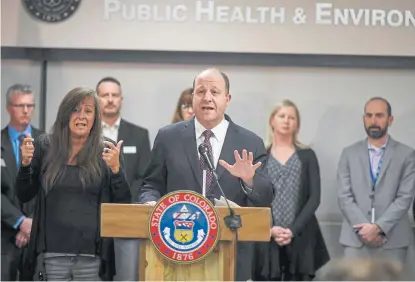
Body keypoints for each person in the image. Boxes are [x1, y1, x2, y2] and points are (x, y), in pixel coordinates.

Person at [138, 68, 274, 281]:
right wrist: (150, 203)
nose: (207, 98)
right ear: (193, 97)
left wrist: (249, 179)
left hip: (230, 253)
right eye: (200, 91)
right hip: (176, 249)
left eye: (215, 92)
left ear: (227, 99)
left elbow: (266, 197)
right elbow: (150, 184)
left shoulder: (250, 142)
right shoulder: (168, 137)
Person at [16, 87, 131, 281]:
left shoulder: (107, 149)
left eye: (88, 111)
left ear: (96, 117)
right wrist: (26, 165)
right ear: (65, 114)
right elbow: (24, 194)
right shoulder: (45, 146)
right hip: (51, 254)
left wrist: (116, 171)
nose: (82, 116)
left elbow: (123, 203)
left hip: (92, 255)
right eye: (75, 110)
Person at [252, 100, 329, 281]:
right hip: (267, 236)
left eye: (291, 117)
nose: (286, 121)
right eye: (282, 116)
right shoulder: (260, 155)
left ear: (297, 124)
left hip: (301, 235)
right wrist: (269, 229)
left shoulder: (307, 155)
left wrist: (292, 230)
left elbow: (314, 197)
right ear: (272, 120)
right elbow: (252, 196)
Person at [337, 97, 415, 264]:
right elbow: (344, 196)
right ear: (363, 119)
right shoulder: (348, 154)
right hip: (355, 240)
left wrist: (379, 228)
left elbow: (405, 198)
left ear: (390, 120)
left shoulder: (407, 155)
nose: (373, 121)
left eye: (379, 115)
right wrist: (365, 230)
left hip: (392, 240)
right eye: (369, 115)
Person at [96, 76, 151, 281]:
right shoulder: (86, 134)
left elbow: (145, 177)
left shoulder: (139, 134)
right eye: (105, 95)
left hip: (130, 217)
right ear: (97, 99)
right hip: (95, 217)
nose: (110, 99)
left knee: (127, 276)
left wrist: (127, 205)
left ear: (121, 99)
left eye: (114, 95)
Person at [1, 84, 44, 281]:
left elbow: (49, 188)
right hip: (4, 233)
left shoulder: (46, 143)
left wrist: (31, 224)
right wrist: (20, 221)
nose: (26, 111)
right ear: (9, 107)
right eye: (20, 106)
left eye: (30, 105)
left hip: (37, 234)